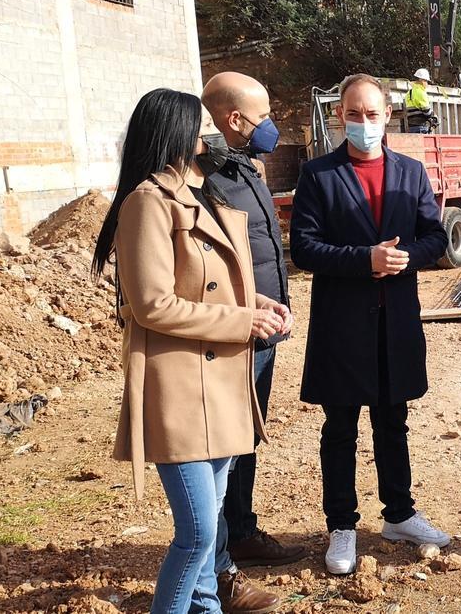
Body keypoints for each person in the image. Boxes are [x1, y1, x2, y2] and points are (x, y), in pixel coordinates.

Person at [92, 89, 292, 613]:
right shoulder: (146, 203)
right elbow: (153, 304)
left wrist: (258, 303)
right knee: (198, 533)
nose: (212, 137)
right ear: (175, 133)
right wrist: (241, 320)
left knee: (212, 520)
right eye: (202, 126)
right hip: (179, 390)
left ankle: (205, 607)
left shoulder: (200, 196)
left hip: (221, 384)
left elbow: (209, 283)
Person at [289, 74, 450, 575]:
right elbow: (304, 247)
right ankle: (342, 525)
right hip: (342, 322)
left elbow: (435, 236)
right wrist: (366, 260)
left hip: (395, 320)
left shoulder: (410, 171)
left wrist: (403, 258)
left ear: (387, 115)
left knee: (392, 421)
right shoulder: (318, 175)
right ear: (340, 115)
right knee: (340, 427)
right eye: (354, 114)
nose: (363, 123)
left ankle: (399, 514)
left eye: (372, 114)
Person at [201, 72, 305, 612]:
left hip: (264, 329)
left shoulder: (246, 167)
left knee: (246, 442)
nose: (271, 126)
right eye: (263, 116)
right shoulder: (206, 175)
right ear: (233, 119)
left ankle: (241, 531)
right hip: (234, 334)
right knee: (222, 450)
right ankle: (218, 568)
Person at [405, 68, 436, 134]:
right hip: (420, 127)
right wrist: (433, 116)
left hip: (410, 127)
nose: (427, 84)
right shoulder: (421, 92)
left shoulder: (409, 92)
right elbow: (427, 111)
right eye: (426, 81)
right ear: (421, 80)